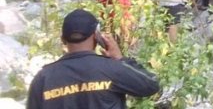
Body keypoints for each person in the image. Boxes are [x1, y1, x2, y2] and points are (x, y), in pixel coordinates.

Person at [26, 9, 161, 109]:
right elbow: (151, 85)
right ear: (96, 37)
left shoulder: (43, 78)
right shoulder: (111, 69)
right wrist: (120, 58)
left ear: (63, 39)